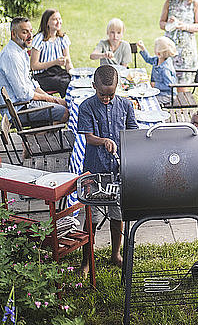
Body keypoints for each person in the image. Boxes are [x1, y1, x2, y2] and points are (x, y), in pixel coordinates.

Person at [77, 65, 137, 273]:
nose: (107, 99)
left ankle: (115, 254)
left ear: (117, 87)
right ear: (94, 87)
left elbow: (132, 132)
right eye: (102, 94)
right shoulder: (86, 107)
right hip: (94, 169)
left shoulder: (126, 105)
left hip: (117, 170)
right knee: (91, 218)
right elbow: (88, 137)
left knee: (116, 215)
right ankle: (86, 260)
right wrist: (104, 141)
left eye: (111, 94)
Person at [0, 17, 68, 124]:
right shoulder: (11, 56)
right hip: (18, 110)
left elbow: (31, 82)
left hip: (24, 103)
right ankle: (37, 139)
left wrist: (49, 97)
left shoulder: (21, 51)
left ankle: (37, 136)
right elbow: (23, 95)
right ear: (13, 34)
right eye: (24, 32)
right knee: (64, 113)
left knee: (63, 104)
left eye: (31, 31)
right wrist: (51, 99)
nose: (30, 36)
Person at [159, 0, 198, 86]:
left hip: (186, 49)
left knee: (183, 82)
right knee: (167, 78)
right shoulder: (169, 2)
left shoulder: (195, 3)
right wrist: (169, 25)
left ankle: (181, 101)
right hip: (169, 46)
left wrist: (184, 26)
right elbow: (161, 23)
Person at [30, 9, 73, 98]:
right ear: (47, 22)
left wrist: (73, 74)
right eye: (54, 19)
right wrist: (55, 62)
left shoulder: (63, 38)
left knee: (73, 81)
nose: (59, 22)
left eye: (59, 19)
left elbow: (68, 62)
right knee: (64, 82)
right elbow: (33, 66)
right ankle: (64, 106)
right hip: (42, 76)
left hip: (57, 72)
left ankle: (73, 106)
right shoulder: (39, 39)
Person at [136, 37, 177, 106]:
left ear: (158, 53)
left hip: (167, 96)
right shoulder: (157, 59)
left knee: (147, 101)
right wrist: (143, 48)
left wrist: (155, 85)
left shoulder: (165, 69)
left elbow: (169, 86)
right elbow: (148, 59)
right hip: (159, 91)